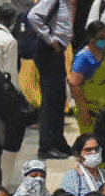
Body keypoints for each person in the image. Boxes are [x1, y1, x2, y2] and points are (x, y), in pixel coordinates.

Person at [27, 0, 74, 159]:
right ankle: (46, 146)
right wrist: (50, 39)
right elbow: (33, 16)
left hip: (57, 51)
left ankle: (58, 141)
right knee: (50, 100)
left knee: (59, 99)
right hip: (49, 52)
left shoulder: (65, 3)